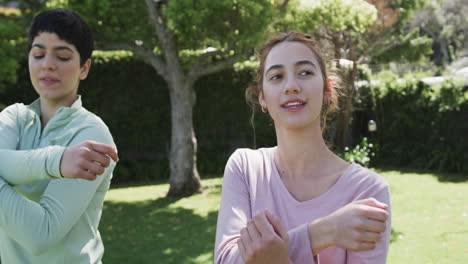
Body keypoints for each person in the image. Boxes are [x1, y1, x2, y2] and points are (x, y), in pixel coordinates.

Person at [214, 32, 391, 264]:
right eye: (277, 76)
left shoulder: (367, 191)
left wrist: (275, 256)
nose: (291, 86)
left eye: (305, 72)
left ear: (327, 89)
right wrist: (322, 232)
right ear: (263, 98)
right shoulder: (245, 169)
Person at [0, 8, 118, 263]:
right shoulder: (13, 118)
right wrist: (57, 161)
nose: (48, 64)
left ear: (84, 68)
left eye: (63, 56)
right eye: (38, 54)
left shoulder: (93, 135)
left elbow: (40, 234)